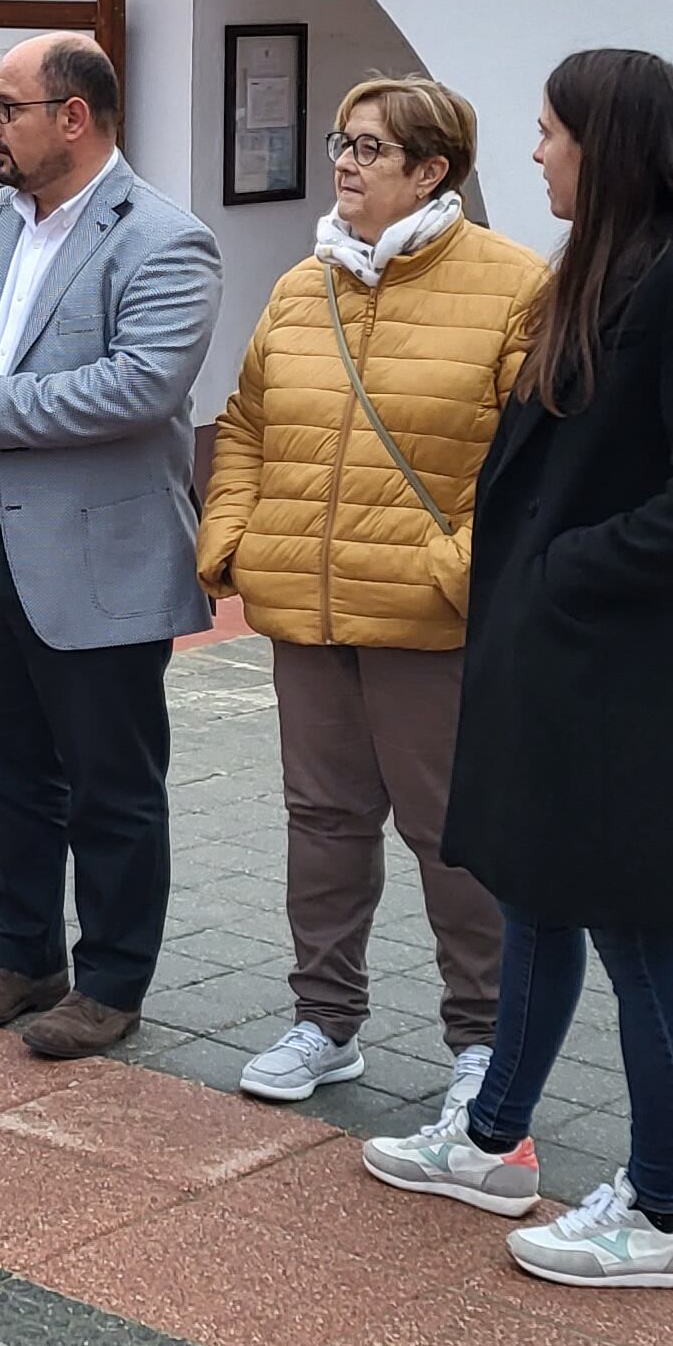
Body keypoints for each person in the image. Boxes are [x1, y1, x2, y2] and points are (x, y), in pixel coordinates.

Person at [361, 48, 673, 1292]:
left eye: (551, 130)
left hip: (631, 671)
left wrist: (573, 567)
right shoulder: (602, 265)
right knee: (531, 894)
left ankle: (664, 1211)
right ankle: (490, 1136)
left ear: (607, 143)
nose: (535, 150)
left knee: (636, 936)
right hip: (559, 660)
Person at [197, 77, 541, 1119]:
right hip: (307, 606)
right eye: (341, 143)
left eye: (370, 147)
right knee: (325, 819)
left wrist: (455, 574)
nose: (343, 162)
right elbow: (248, 420)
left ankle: (482, 1037)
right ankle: (324, 1019)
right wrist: (236, 538)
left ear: (430, 171)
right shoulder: (305, 286)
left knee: (452, 835)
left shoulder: (514, 286)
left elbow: (533, 464)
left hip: (432, 620)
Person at [0, 32, 222, 1062]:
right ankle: (23, 955)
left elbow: (139, 385)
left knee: (110, 784)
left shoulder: (166, 239)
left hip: (98, 560)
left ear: (71, 117)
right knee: (5, 771)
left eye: (2, 106)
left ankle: (113, 977)